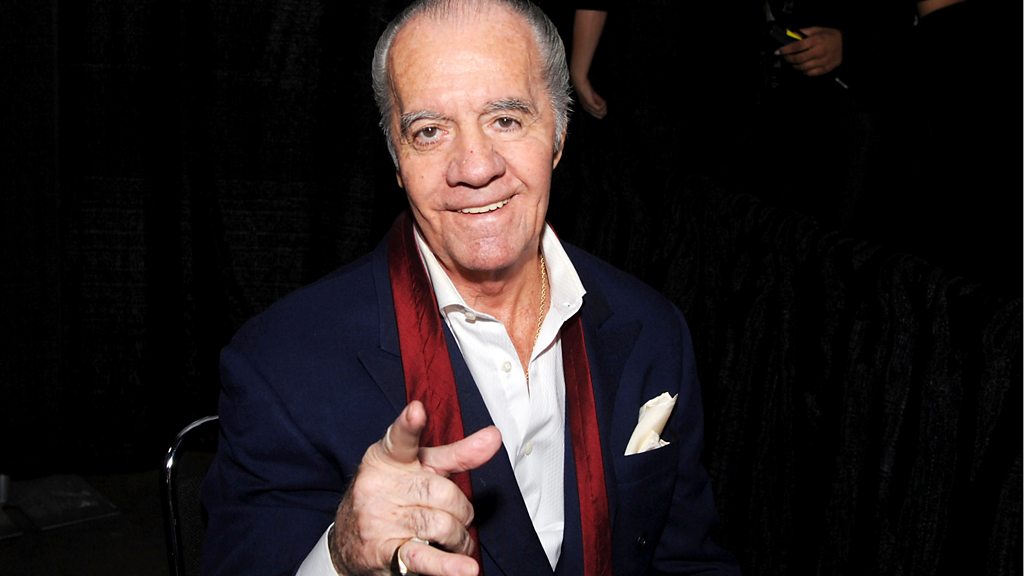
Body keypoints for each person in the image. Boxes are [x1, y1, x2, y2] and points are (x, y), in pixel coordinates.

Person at [200, 1, 740, 574]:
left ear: (558, 136)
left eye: (506, 120)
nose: (475, 167)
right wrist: (342, 555)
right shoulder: (282, 364)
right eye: (430, 131)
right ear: (397, 161)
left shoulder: (652, 328)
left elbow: (690, 561)